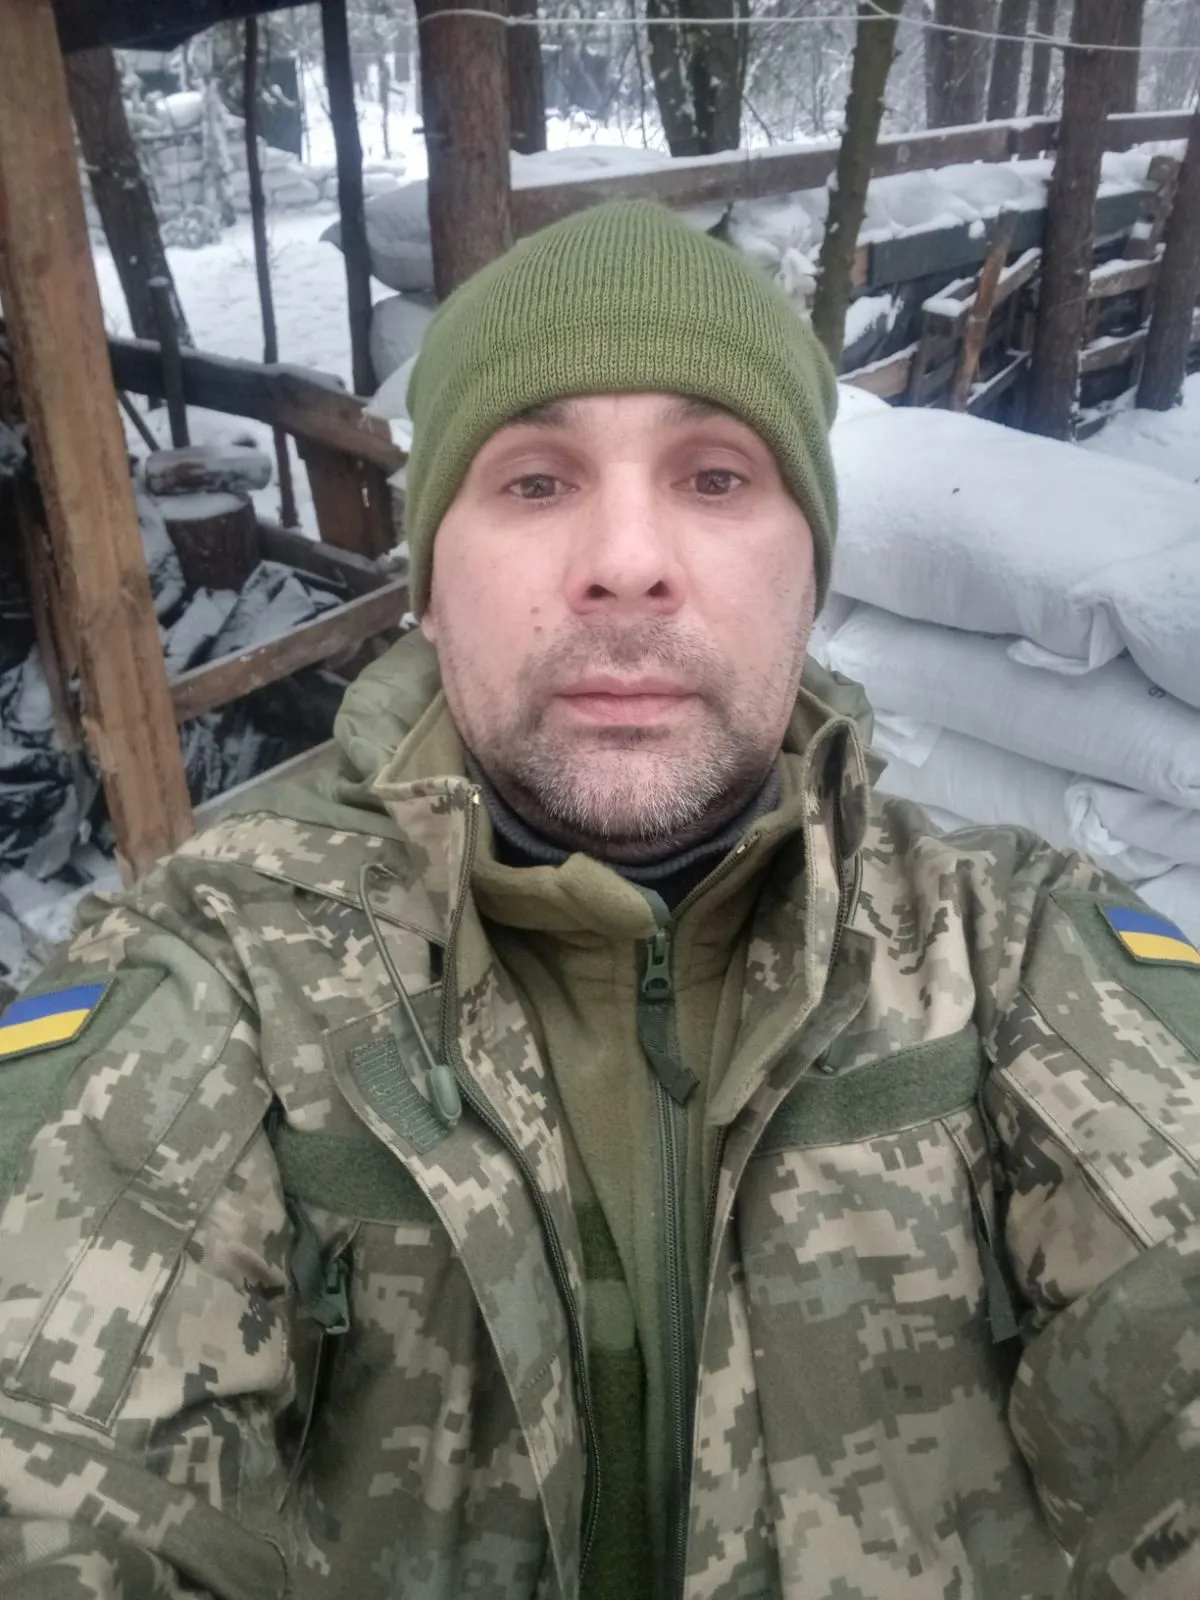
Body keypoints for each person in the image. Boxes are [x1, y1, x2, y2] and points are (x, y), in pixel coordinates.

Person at [0, 200, 1198, 1600]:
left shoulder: (1011, 945)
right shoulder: (224, 968)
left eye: (714, 477)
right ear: (429, 590)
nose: (627, 559)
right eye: (533, 483)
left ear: (810, 578)